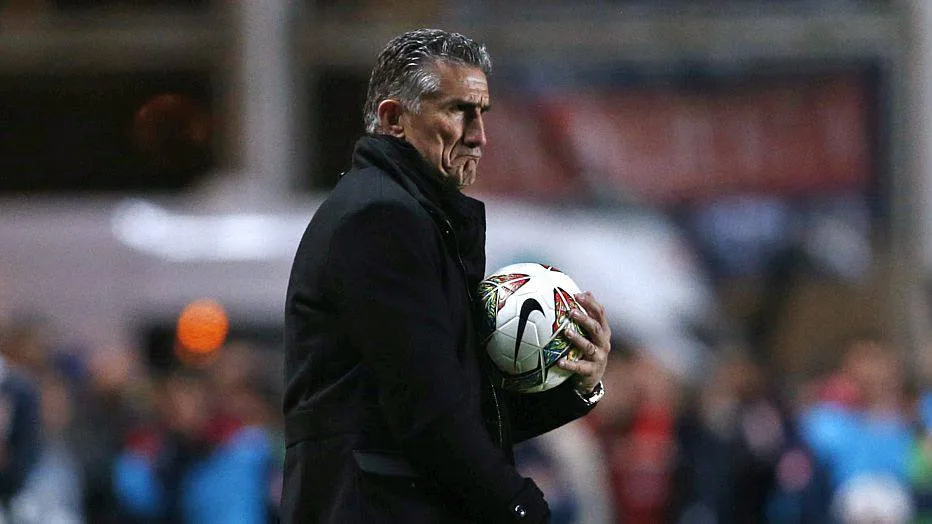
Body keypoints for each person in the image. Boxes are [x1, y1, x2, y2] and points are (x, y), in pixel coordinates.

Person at [282, 28, 612, 523]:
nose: (479, 135)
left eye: (482, 113)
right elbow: (429, 413)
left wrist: (577, 383)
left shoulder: (410, 215)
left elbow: (459, 411)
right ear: (394, 118)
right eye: (459, 111)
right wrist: (520, 505)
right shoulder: (380, 219)